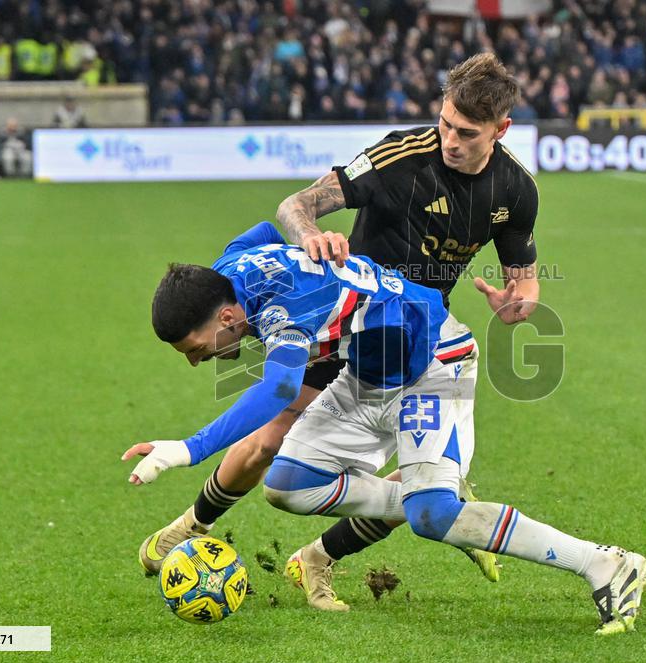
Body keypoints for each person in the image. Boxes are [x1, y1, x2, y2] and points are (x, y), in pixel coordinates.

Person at [131, 53, 539, 610]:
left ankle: (321, 559)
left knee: (378, 480)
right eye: (443, 122)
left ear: (500, 130)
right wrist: (307, 236)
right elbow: (294, 206)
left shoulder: (516, 190)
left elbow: (525, 279)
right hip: (334, 315)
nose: (448, 138)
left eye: (465, 132)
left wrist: (521, 303)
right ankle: (190, 527)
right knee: (266, 445)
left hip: (406, 335)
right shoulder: (401, 155)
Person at [124, 222, 646, 635]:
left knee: (431, 516)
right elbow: (262, 232)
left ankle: (604, 565)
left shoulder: (285, 310)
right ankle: (442, 500)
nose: (198, 362)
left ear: (227, 318)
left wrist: (187, 449)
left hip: (433, 364)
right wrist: (308, 238)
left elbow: (281, 389)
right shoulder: (229, 269)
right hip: (369, 375)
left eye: (196, 350)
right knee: (287, 486)